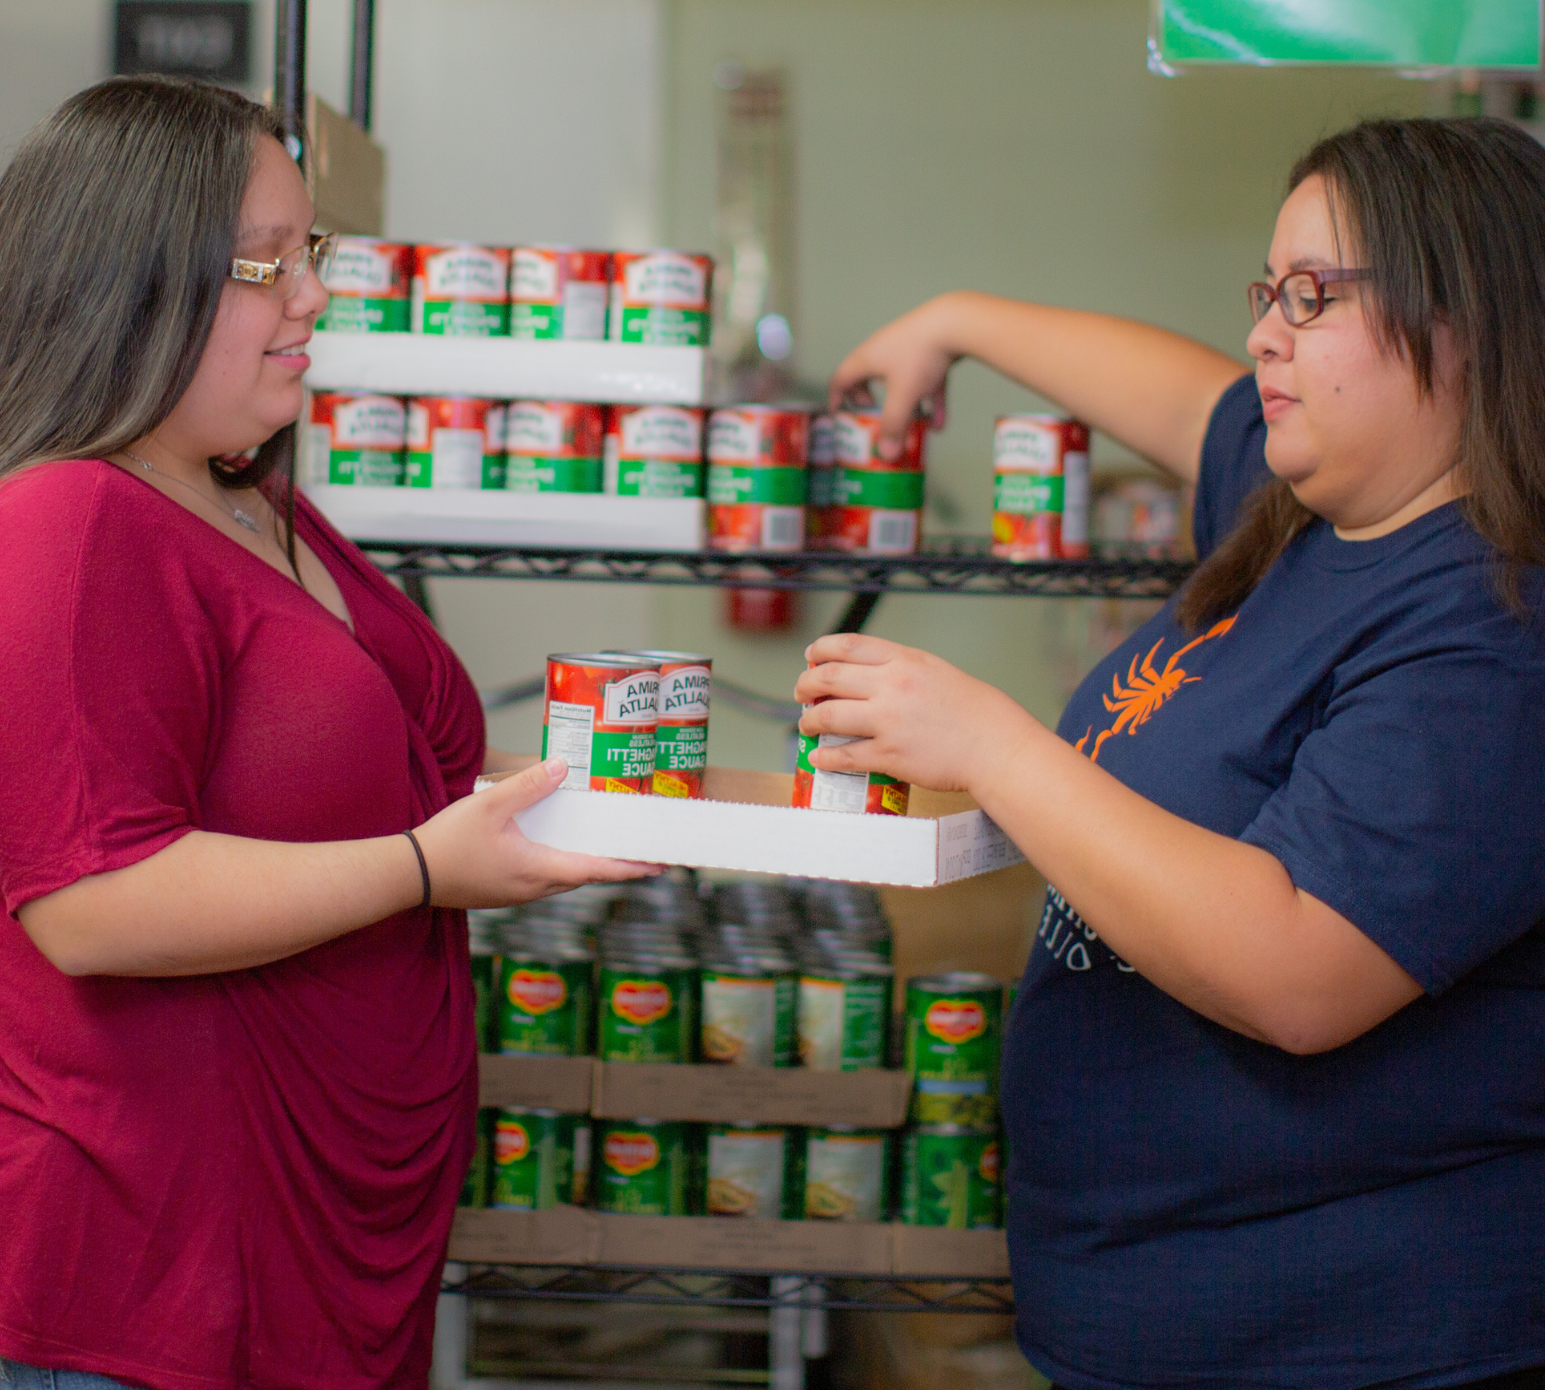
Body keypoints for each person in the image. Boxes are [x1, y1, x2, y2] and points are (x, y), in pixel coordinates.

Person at [796, 117, 1545, 1390]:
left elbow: (1301, 967)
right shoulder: (1314, 514)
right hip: (1151, 1325)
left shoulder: (1494, 631)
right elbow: (1181, 391)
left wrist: (992, 743)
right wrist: (957, 319)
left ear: (1467, 318)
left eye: (1313, 296)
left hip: (1360, 1345)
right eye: (1268, 290)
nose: (1266, 333)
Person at [0, 78, 649, 1390]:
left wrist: (618, 797)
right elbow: (92, 902)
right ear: (129, 277)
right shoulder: (67, 524)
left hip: (327, 1237)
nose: (313, 298)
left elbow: (371, 778)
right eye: (267, 263)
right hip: (158, 1261)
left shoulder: (251, 497)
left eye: (314, 255)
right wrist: (424, 870)